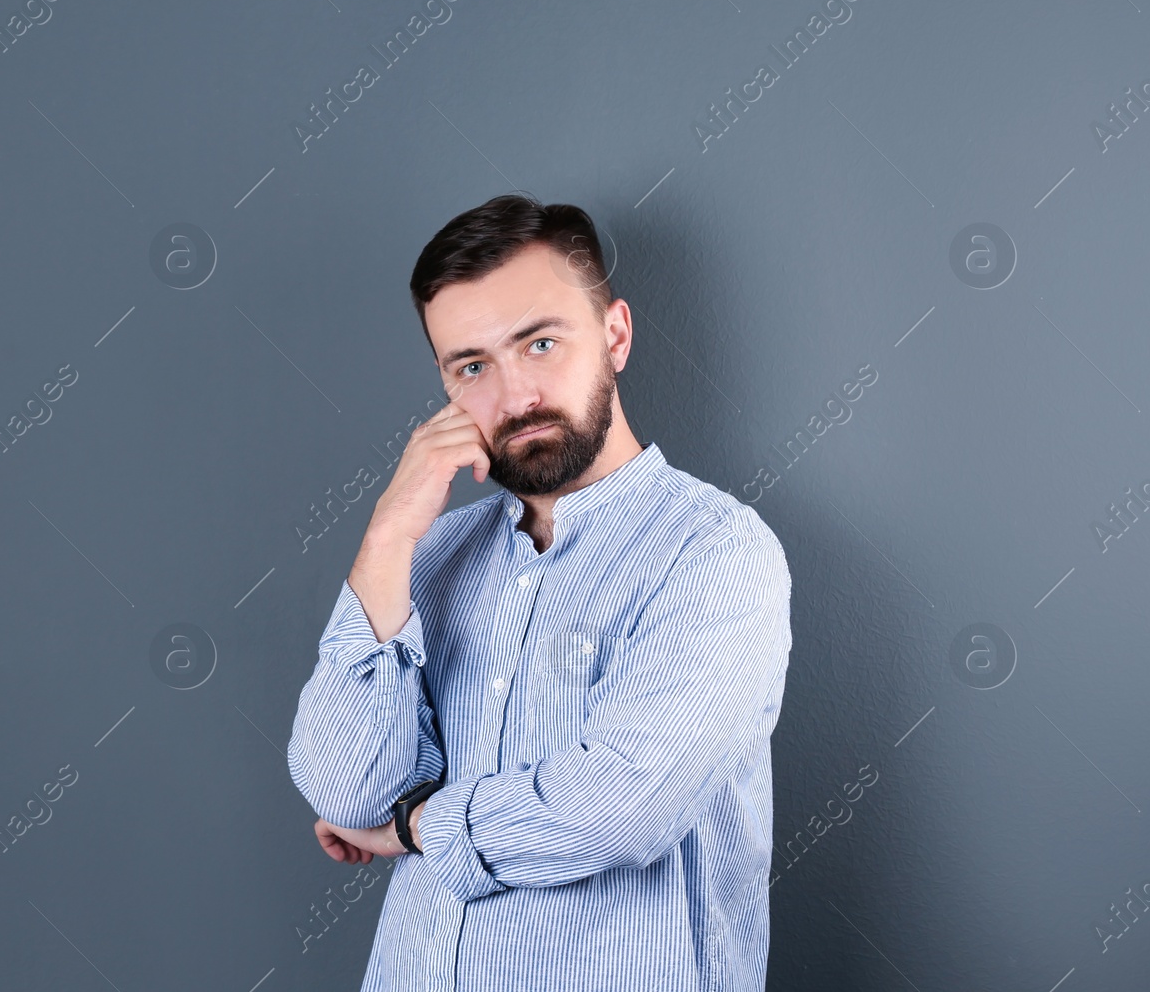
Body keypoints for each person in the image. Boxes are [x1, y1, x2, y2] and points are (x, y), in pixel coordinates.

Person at [287, 192, 793, 991]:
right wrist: (387, 535)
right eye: (473, 366)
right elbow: (347, 786)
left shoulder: (713, 553)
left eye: (542, 343)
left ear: (615, 335)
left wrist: (418, 826)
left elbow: (619, 807)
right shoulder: (431, 553)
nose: (515, 396)